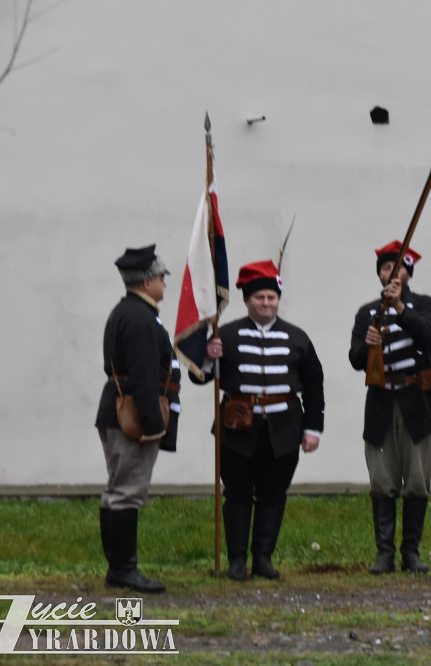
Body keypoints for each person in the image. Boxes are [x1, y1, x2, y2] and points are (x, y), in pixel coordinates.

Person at [197, 260, 324, 581]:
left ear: (278, 299)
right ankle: (237, 560)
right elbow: (201, 378)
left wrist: (312, 429)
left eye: (271, 297)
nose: (266, 303)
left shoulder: (297, 337)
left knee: (273, 494)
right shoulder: (224, 334)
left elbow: (313, 386)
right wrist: (209, 357)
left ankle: (263, 558)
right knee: (237, 493)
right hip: (236, 428)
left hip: (284, 429)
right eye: (259, 298)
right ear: (246, 300)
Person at [349, 241, 431, 574]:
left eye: (398, 267)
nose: (392, 273)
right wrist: (367, 345)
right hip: (381, 405)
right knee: (382, 479)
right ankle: (384, 553)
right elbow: (356, 359)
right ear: (380, 274)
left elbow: (427, 335)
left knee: (417, 480)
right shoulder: (367, 313)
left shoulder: (424, 305)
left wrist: (401, 308)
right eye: (386, 268)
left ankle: (411, 552)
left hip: (418, 404)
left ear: (408, 273)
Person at [95, 244, 181, 593]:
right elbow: (145, 375)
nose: (164, 283)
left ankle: (119, 569)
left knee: (118, 490)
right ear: (147, 282)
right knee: (127, 492)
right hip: (132, 412)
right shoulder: (141, 319)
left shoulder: (130, 312)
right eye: (161, 278)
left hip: (122, 407)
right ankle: (123, 570)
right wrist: (153, 422)